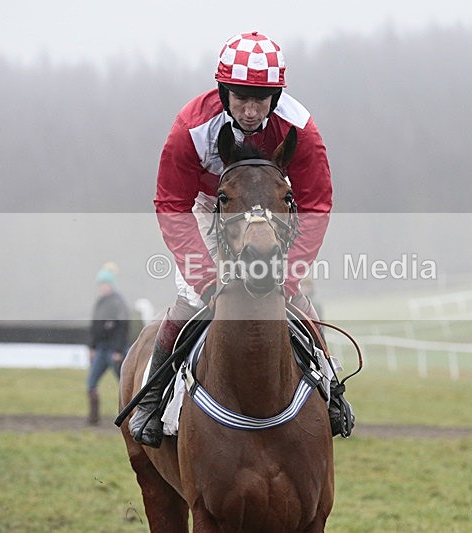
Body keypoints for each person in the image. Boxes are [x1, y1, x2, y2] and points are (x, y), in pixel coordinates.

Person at [129, 31, 352, 447]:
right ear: (222, 91)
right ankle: (153, 399)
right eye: (240, 98)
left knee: (295, 300)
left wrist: (289, 277)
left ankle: (331, 390)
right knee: (192, 300)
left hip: (271, 210)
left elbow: (316, 205)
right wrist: (204, 277)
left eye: (261, 100)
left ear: (276, 97)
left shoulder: (300, 129)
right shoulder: (190, 128)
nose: (250, 111)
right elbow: (170, 203)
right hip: (209, 207)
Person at [87, 265, 130, 425]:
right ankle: (93, 418)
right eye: (100, 284)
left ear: (111, 285)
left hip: (114, 350)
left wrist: (118, 350)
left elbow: (123, 327)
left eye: (104, 284)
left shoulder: (118, 303)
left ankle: (127, 416)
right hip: (100, 349)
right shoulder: (100, 302)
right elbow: (95, 326)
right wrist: (91, 346)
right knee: (91, 382)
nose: (102, 287)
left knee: (124, 384)